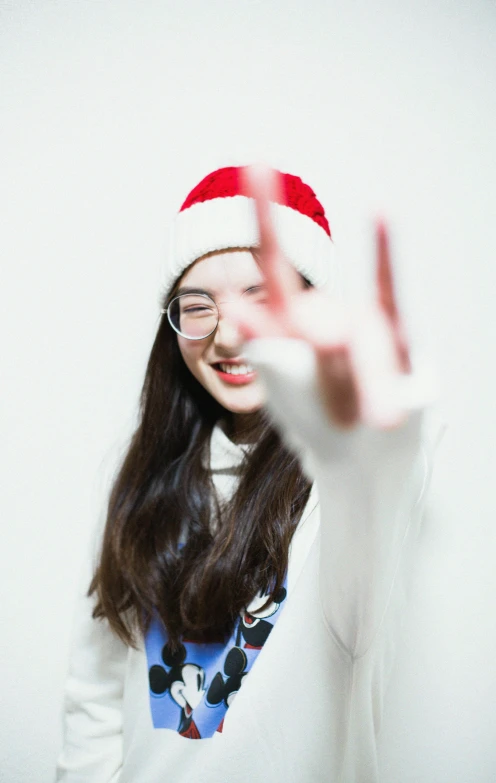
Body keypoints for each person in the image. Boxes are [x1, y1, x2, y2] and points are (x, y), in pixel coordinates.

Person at [56, 164, 444, 783]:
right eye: (198, 306)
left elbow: (378, 482)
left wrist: (375, 425)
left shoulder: (340, 484)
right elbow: (96, 700)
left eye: (261, 300)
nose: (230, 334)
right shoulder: (142, 479)